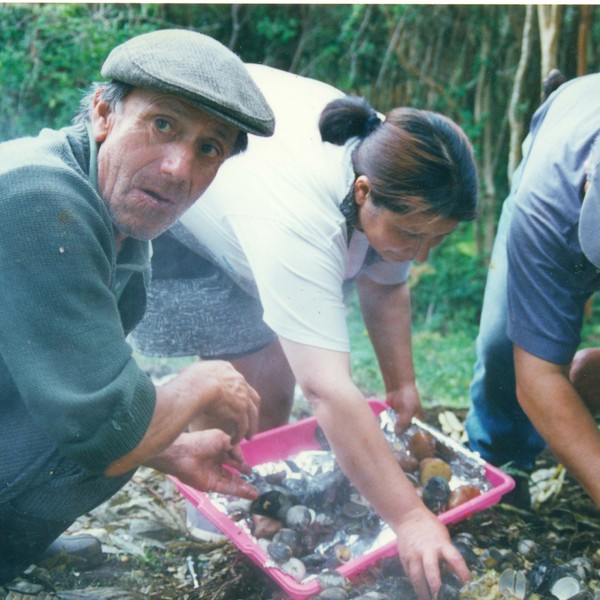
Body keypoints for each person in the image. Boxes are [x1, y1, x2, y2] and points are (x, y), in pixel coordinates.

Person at [130, 64, 479, 599]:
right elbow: (329, 390)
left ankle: (232, 492)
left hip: (258, 202)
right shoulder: (300, 218)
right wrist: (409, 519)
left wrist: (402, 385)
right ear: (362, 193)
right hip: (187, 212)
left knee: (270, 390)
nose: (420, 253)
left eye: (436, 240)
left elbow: (385, 287)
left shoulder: (399, 164)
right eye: (412, 235)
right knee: (247, 385)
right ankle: (207, 517)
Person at [0, 28, 277, 584]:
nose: (179, 168)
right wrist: (201, 382)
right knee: (110, 439)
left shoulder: (124, 225)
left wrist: (170, 451)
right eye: (163, 124)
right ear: (103, 113)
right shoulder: (43, 197)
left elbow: (68, 382)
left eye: (209, 148)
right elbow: (104, 429)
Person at [466, 73, 600, 509]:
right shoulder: (545, 209)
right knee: (504, 342)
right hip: (555, 178)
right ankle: (503, 461)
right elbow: (538, 378)